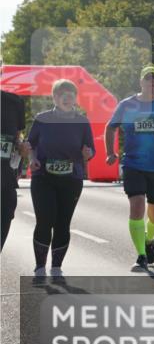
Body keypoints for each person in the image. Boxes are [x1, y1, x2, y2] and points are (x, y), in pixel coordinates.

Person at [105, 66, 154, 270]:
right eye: (148, 79)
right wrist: (110, 152)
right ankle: (141, 255)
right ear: (141, 82)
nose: (152, 82)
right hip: (133, 164)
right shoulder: (127, 105)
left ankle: (149, 239)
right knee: (137, 206)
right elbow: (111, 126)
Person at [27, 80, 94, 277]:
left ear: (75, 98)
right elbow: (30, 144)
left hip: (71, 179)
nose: (67, 98)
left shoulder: (82, 122)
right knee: (45, 220)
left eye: (71, 94)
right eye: (62, 94)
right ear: (54, 97)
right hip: (43, 178)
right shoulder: (42, 119)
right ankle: (40, 266)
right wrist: (32, 159)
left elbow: (89, 151)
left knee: (63, 222)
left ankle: (56, 267)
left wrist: (87, 153)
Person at [1, 85, 29, 251]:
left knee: (5, 215)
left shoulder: (14, 102)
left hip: (5, 180)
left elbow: (16, 137)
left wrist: (21, 147)